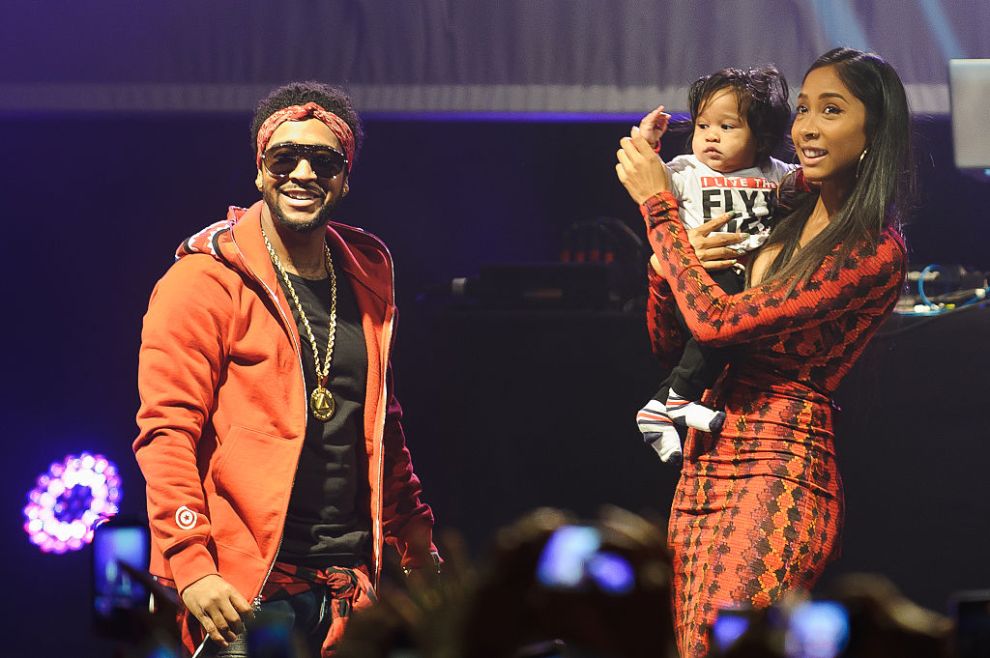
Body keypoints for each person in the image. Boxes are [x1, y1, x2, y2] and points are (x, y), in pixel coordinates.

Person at [616, 47, 911, 657]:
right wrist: (665, 265)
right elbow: (674, 342)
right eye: (803, 108)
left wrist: (659, 212)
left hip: (779, 466)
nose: (806, 126)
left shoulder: (873, 248)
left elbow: (721, 324)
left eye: (830, 110)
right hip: (706, 456)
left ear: (873, 131)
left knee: (728, 648)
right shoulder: (779, 203)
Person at [133, 81, 440, 657]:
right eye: (284, 157)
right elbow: (167, 434)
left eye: (324, 161)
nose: (303, 173)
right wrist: (191, 564)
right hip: (241, 589)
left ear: (346, 178)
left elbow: (380, 429)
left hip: (351, 589)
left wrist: (421, 552)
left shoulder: (367, 274)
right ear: (259, 170)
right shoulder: (203, 282)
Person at [633, 66, 795, 465]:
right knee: (719, 324)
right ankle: (680, 403)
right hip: (699, 283)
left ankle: (658, 409)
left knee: (731, 333)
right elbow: (650, 184)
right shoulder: (686, 171)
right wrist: (647, 143)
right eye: (703, 124)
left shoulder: (774, 174)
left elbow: (815, 183)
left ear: (762, 137)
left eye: (727, 126)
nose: (710, 135)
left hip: (749, 286)